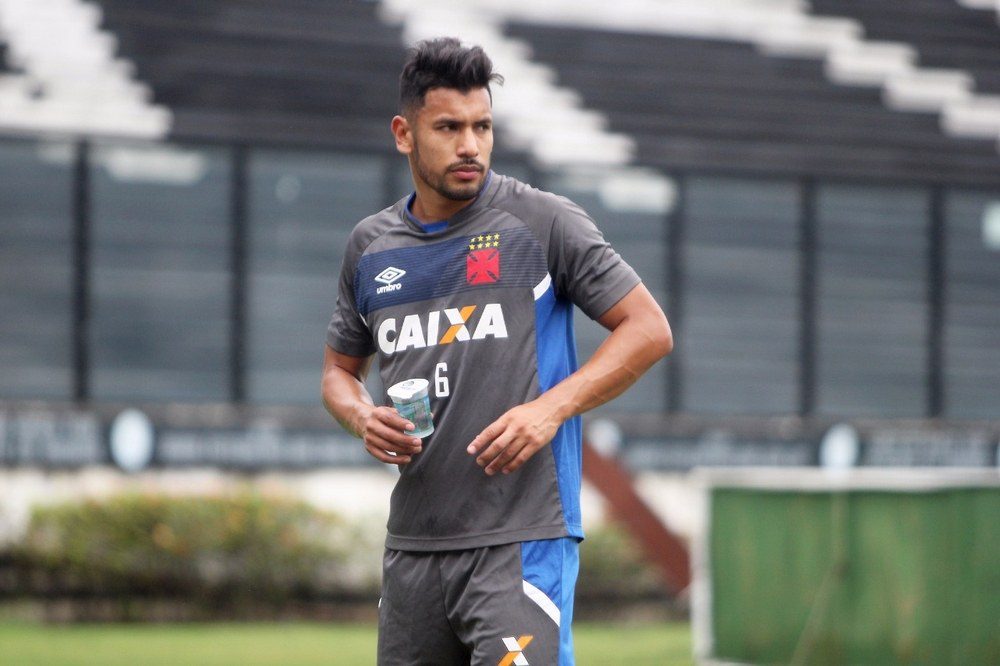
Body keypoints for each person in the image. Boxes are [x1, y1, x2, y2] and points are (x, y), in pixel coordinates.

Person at [321, 37, 672, 666]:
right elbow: (338, 373)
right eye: (449, 128)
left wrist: (549, 409)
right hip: (414, 548)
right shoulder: (370, 247)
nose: (470, 146)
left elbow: (648, 330)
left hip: (521, 542)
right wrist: (360, 416)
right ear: (404, 134)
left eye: (482, 127)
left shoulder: (543, 223)